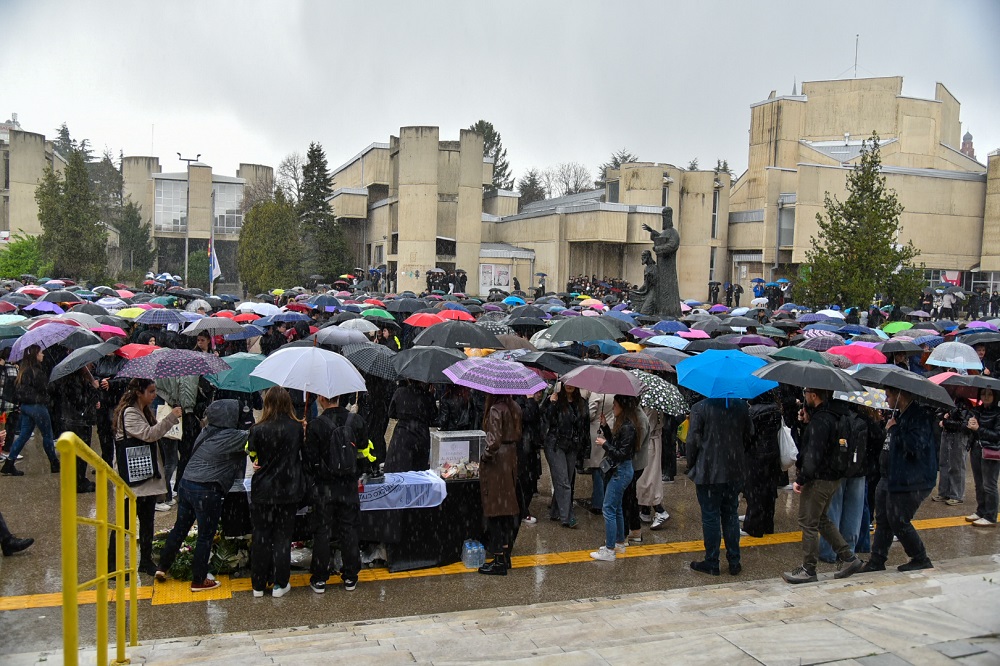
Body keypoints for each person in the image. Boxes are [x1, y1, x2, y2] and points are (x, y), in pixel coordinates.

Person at [155, 399, 249, 592]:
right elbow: (258, 436)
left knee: (180, 529)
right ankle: (199, 580)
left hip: (187, 484)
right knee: (205, 536)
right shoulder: (232, 436)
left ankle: (163, 567)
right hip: (206, 490)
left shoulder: (206, 431)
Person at [782, 388, 864, 583]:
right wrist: (806, 424)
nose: (804, 395)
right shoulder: (838, 415)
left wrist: (802, 479)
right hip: (833, 476)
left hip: (819, 478)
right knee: (821, 520)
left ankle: (809, 569)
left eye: (806, 392)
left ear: (813, 395)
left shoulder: (822, 420)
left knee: (808, 522)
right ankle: (848, 557)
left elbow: (814, 452)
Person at [108, 379, 182, 576]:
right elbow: (149, 435)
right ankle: (112, 565)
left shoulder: (143, 411)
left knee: (147, 521)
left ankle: (146, 561)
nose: (154, 395)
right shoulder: (130, 413)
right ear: (138, 393)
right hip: (132, 478)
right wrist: (171, 418)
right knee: (123, 523)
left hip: (144, 476)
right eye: (150, 391)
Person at [862, 386, 937, 572]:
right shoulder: (899, 415)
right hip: (889, 476)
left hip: (910, 480)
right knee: (883, 520)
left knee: (898, 520)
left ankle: (920, 557)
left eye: (888, 396)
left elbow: (914, 446)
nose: (886, 400)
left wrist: (894, 429)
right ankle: (877, 559)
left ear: (900, 395)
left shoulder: (919, 417)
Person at [246, 387, 306, 597]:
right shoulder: (296, 428)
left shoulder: (257, 429)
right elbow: (302, 454)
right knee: (283, 537)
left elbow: (253, 453)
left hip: (263, 488)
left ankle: (258, 584)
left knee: (261, 536)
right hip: (288, 488)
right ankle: (280, 583)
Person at [303, 393, 364, 593]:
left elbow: (310, 460)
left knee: (323, 530)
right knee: (349, 529)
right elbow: (365, 451)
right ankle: (351, 576)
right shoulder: (355, 420)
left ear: (322, 398)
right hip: (349, 486)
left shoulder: (315, 425)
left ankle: (320, 577)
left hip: (324, 487)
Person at [686, 395, 751, 576]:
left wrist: (692, 464)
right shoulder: (741, 406)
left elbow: (692, 441)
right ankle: (734, 561)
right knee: (731, 513)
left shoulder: (699, 408)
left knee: (710, 516)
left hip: (708, 471)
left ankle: (712, 561)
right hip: (734, 469)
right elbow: (748, 436)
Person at [477, 393, 523, 575]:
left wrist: (484, 456)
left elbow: (494, 441)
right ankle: (505, 555)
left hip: (497, 462)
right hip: (510, 458)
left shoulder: (496, 409)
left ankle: (498, 560)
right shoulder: (515, 407)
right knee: (506, 511)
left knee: (495, 511)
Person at [590, 395, 640, 562]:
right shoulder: (625, 425)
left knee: (608, 508)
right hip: (621, 471)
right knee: (616, 507)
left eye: (615, 405)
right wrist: (605, 428)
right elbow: (617, 445)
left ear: (622, 407)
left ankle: (610, 549)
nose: (613, 408)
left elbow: (620, 453)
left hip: (621, 472)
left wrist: (604, 444)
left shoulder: (628, 427)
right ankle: (618, 542)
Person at [1, 345, 59, 476]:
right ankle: (54, 463)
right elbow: (45, 389)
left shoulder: (23, 370)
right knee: (47, 435)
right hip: (37, 407)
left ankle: (9, 463)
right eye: (41, 353)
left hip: (26, 407)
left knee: (24, 435)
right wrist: (52, 383)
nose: (43, 355)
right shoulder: (36, 372)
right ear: (35, 355)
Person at [543, 382, 589, 528]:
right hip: (555, 444)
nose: (569, 385)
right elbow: (546, 419)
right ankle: (568, 517)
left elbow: (584, 427)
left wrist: (585, 449)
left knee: (566, 480)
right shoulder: (555, 399)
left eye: (573, 382)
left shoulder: (582, 403)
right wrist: (552, 404)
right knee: (563, 480)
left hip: (572, 446)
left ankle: (555, 511)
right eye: (567, 382)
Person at [743, 391, 783, 538]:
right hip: (772, 454)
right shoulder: (776, 409)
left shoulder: (753, 412)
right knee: (769, 490)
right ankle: (768, 523)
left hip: (756, 455)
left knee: (754, 491)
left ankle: (753, 526)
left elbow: (748, 435)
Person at [383, 380, 438, 473]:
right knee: (419, 471)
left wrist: (404, 415)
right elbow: (433, 417)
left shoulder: (399, 392)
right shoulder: (427, 396)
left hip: (402, 434)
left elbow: (391, 413)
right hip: (421, 435)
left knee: (398, 469)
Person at [966, 387, 1000, 527]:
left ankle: (990, 516)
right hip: (976, 449)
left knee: (989, 485)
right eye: (983, 393)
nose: (986, 396)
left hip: (991, 451)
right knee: (979, 484)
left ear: (995, 396)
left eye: (989, 394)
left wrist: (978, 429)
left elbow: (997, 435)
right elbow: (970, 430)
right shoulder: (976, 411)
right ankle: (981, 511)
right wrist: (969, 425)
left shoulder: (998, 413)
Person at [934, 398, 973, 505]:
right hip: (946, 433)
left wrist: (946, 421)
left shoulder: (965, 405)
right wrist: (944, 417)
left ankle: (956, 494)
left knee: (957, 466)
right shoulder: (947, 400)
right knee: (944, 464)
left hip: (958, 436)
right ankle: (944, 492)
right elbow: (938, 413)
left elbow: (963, 424)